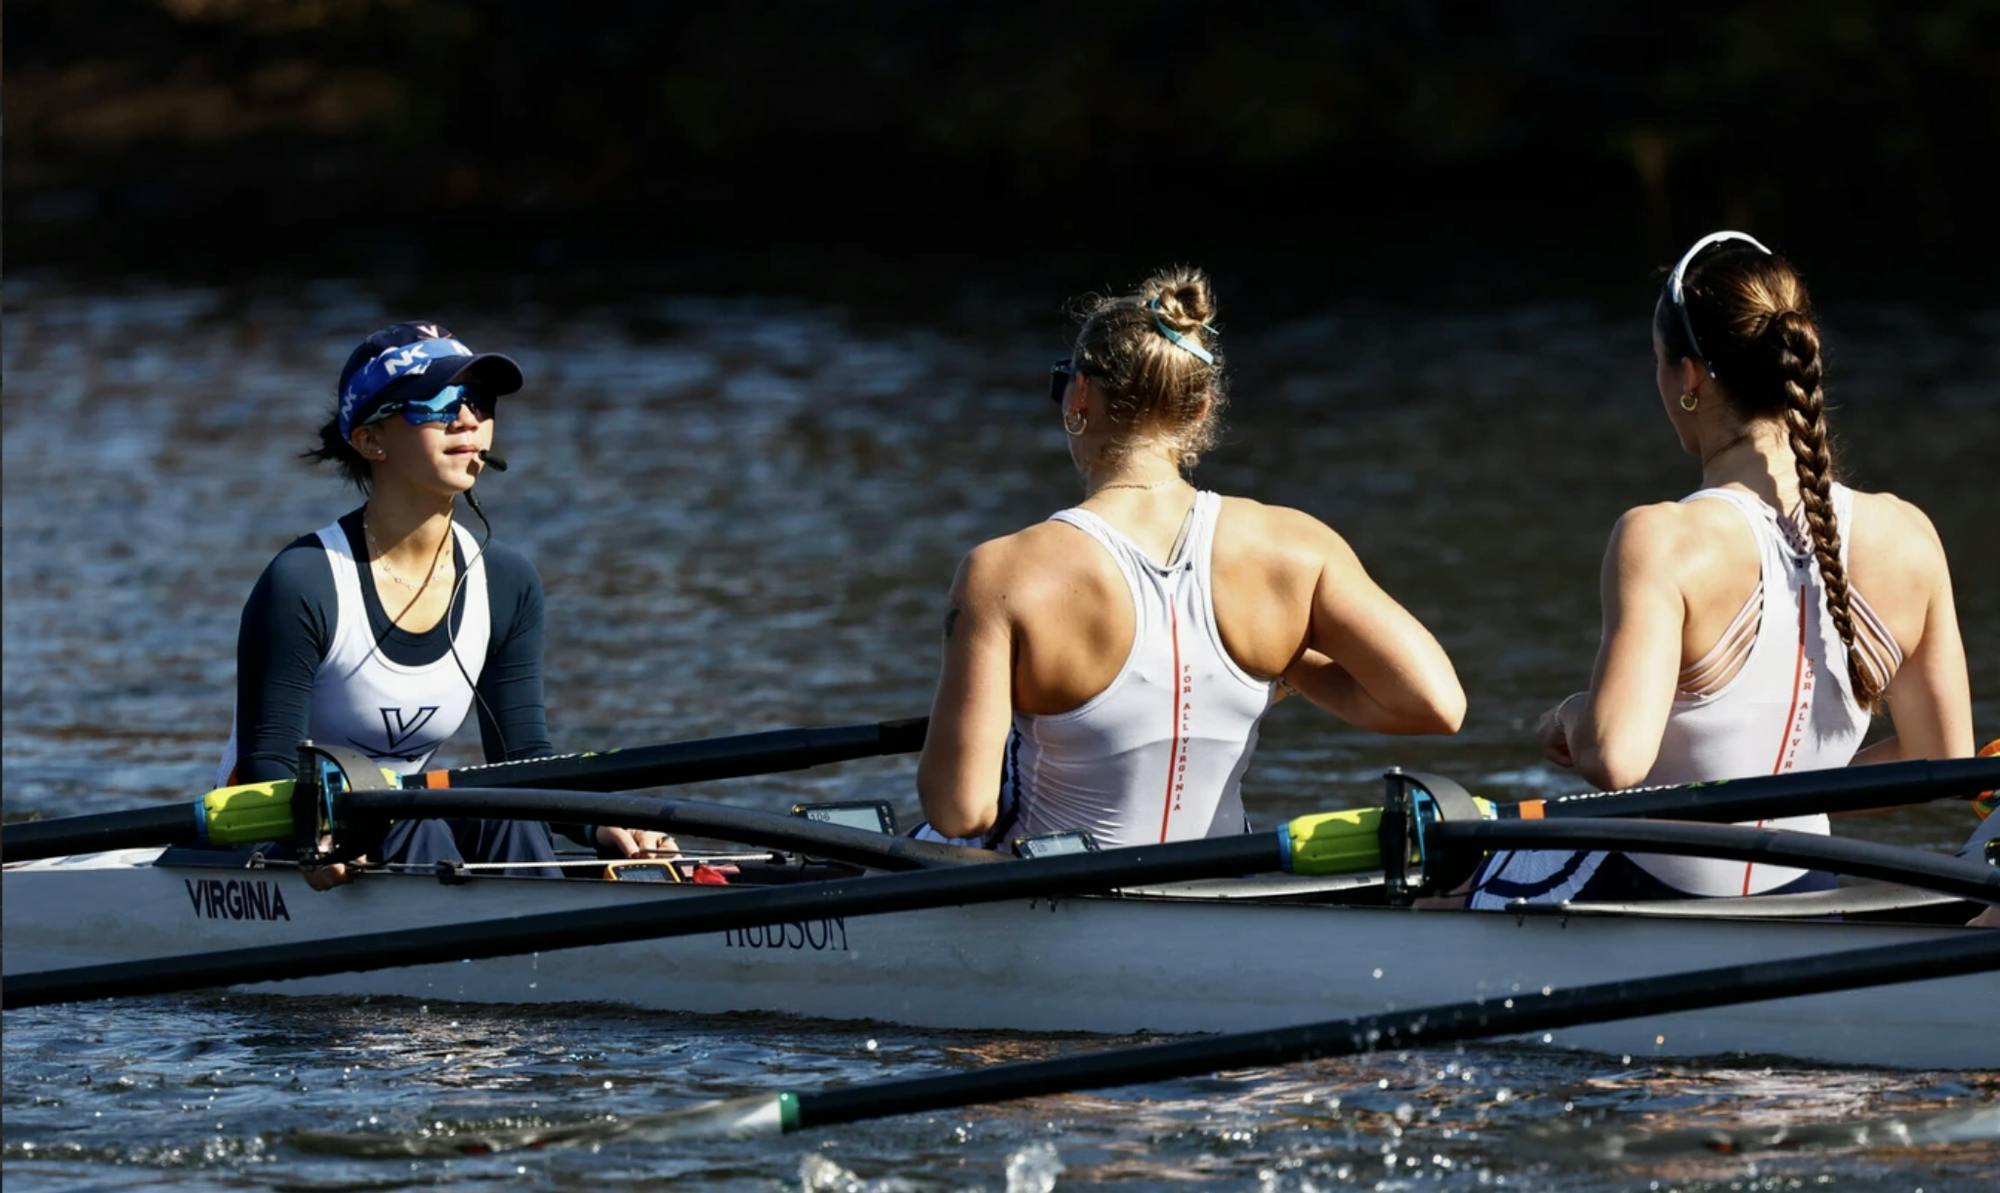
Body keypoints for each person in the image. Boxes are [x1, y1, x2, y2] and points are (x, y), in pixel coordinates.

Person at [1470, 232, 1974, 908]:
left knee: (1438, 885)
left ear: (1689, 379)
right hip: (1804, 891)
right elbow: (1941, 766)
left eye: (1656, 362)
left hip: (1648, 886)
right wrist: (1796, 791)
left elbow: (1615, 757)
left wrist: (1570, 715)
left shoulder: (1662, 538)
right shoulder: (1910, 536)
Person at [915, 267, 1466, 851]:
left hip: (1054, 905)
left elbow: (960, 810)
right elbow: (1436, 704)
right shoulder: (1297, 546)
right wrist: (1287, 660)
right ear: (1201, 408)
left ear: (1078, 396)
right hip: (1223, 894)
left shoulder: (1002, 574)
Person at [218, 321, 667, 887]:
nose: (468, 419)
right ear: (370, 440)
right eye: (436, 403)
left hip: (399, 827)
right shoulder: (303, 581)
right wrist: (323, 841)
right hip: (279, 842)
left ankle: (547, 948)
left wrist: (598, 826)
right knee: (416, 824)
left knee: (507, 815)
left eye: (479, 402)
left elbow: (523, 761)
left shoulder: (506, 581)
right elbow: (270, 767)